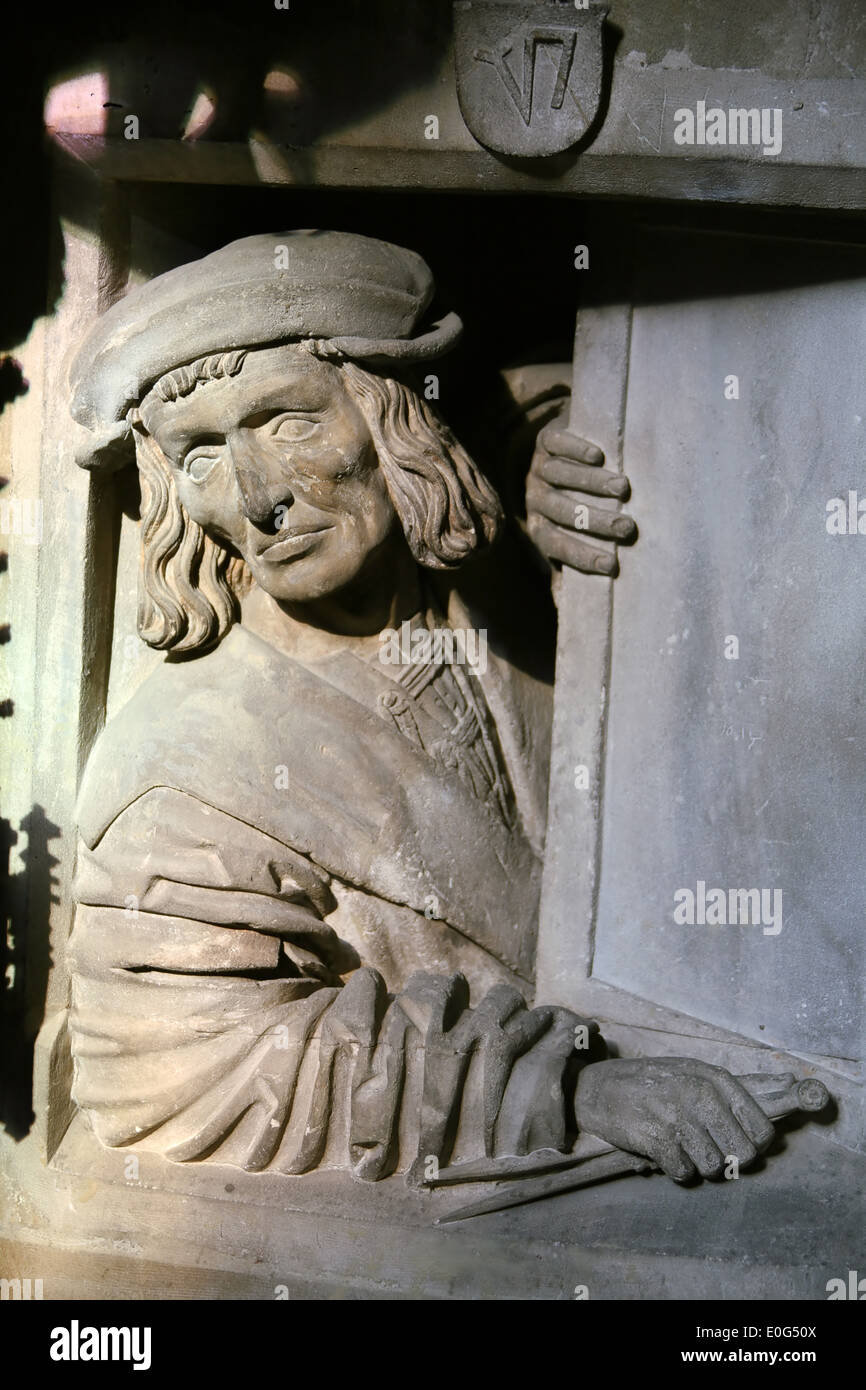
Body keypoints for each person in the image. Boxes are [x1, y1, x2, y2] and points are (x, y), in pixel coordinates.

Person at [66, 230, 776, 1184]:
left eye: (288, 421)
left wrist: (535, 452)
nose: (261, 496)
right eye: (200, 457)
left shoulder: (507, 586)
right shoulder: (184, 773)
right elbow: (181, 1066)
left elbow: (645, 419)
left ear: (391, 416)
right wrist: (565, 1094)